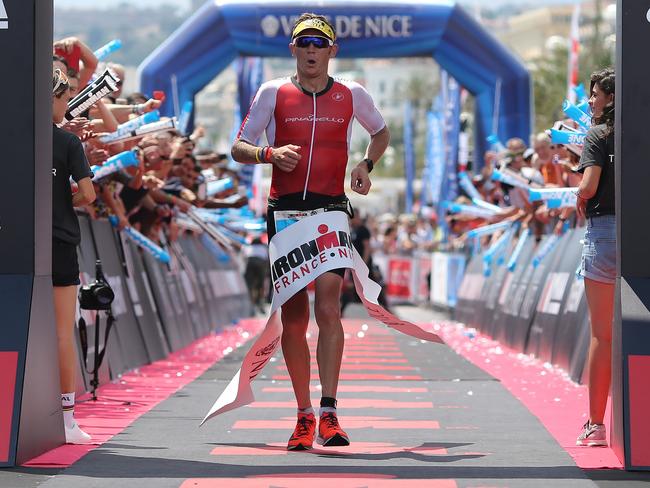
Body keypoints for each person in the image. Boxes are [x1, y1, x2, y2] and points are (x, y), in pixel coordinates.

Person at [231, 12, 390, 451]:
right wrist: (268, 152)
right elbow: (238, 147)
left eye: (320, 44)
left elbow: (381, 132)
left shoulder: (351, 94)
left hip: (331, 211)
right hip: (285, 213)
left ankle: (330, 411)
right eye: (304, 44)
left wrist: (364, 164)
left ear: (332, 51)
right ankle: (303, 413)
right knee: (295, 317)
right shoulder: (273, 92)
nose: (312, 51)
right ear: (294, 51)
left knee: (329, 309)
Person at [52, 68, 96, 443]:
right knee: (62, 333)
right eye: (64, 99)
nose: (68, 107)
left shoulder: (14, 137)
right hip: (60, 243)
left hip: (17, 244)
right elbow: (89, 195)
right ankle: (65, 419)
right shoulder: (67, 143)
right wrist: (68, 199)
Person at [575, 67, 615, 447]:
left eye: (595, 94)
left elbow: (589, 186)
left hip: (606, 236)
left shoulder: (598, 135)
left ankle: (596, 425)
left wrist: (578, 193)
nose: (590, 101)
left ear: (611, 99)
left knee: (603, 335)